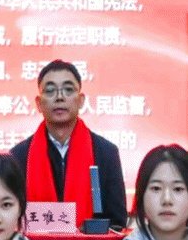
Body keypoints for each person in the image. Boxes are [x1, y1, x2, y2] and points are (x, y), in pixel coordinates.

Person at [7, 60, 127, 229]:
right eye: (50, 91)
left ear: (81, 100)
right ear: (39, 103)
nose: (59, 97)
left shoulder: (106, 152)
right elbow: (12, 219)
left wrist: (89, 231)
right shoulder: (19, 156)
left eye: (68, 90)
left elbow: (117, 222)